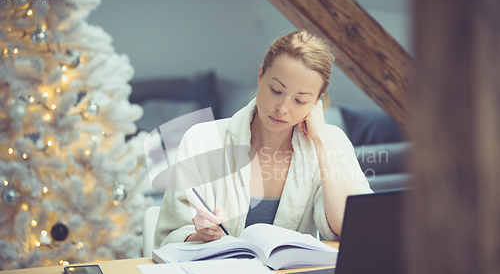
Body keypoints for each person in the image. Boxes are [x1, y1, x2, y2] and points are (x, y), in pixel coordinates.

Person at [154, 30, 372, 248]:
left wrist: (322, 141)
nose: (282, 108)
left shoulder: (331, 142)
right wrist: (199, 235)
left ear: (316, 101)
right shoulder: (202, 140)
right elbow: (169, 237)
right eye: (276, 90)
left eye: (300, 100)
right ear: (260, 77)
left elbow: (356, 227)